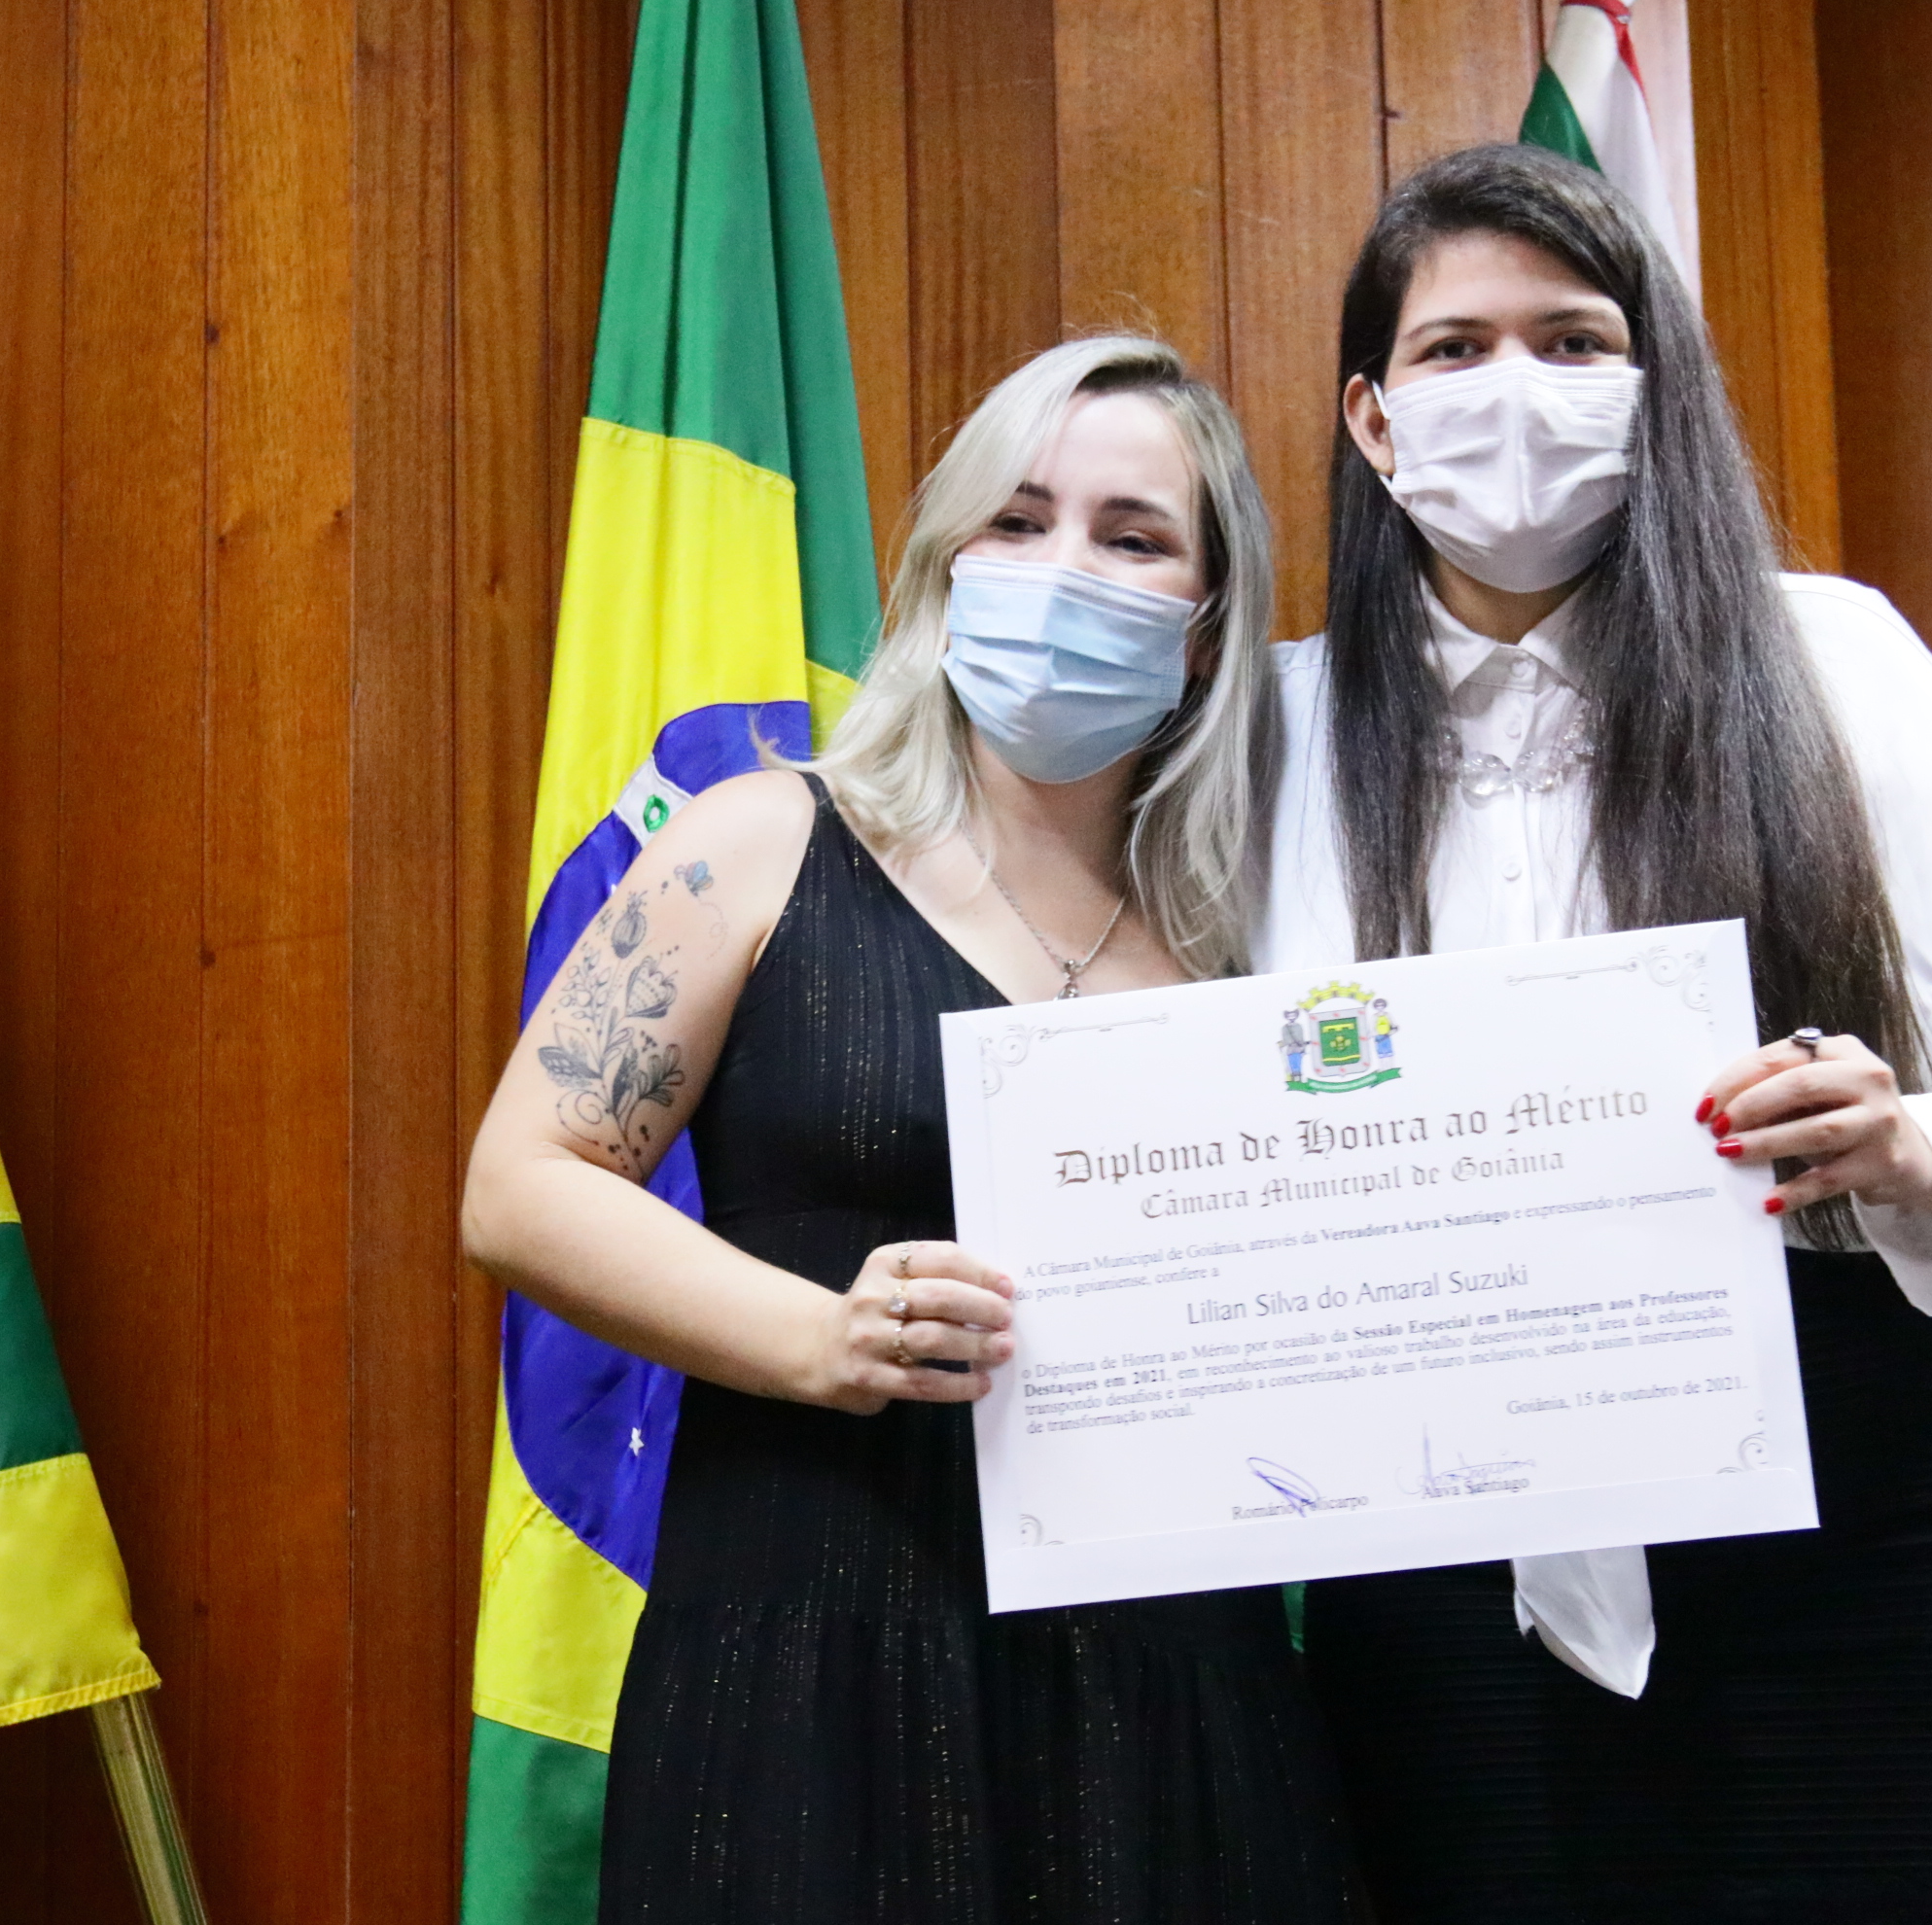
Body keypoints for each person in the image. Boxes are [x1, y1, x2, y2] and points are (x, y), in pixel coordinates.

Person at [1260, 144, 1932, 1922]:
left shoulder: (1837, 663)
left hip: (1885, 1519)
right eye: (1455, 349)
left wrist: (1916, 1145)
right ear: (1371, 418)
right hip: (1449, 1572)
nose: (1516, 388)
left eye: (1574, 341)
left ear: (1652, 381)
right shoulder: (1268, 737)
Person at [464, 335, 1360, 1923]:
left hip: (1171, 1690)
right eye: (1017, 519)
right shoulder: (759, 841)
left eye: (1133, 538)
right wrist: (821, 1338)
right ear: (944, 561)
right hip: (804, 1662)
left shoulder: (1262, 939)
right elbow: (520, 1187)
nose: (1062, 567)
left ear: (1210, 626)